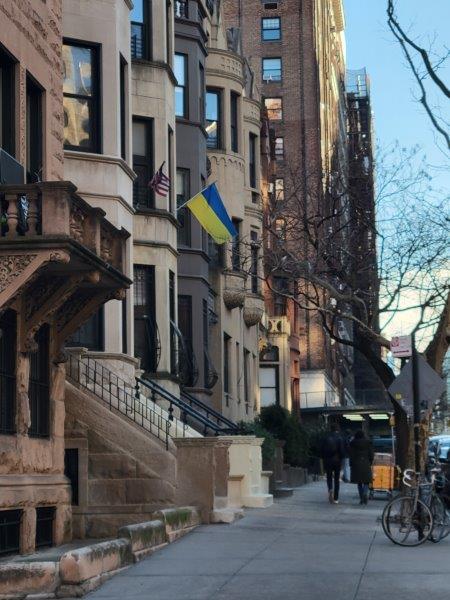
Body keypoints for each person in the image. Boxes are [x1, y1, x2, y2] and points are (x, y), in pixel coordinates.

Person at [321, 424, 345, 504]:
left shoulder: (326, 438)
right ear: (337, 429)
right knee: (337, 479)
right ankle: (336, 498)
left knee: (329, 476)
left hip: (328, 460)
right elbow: (341, 451)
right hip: (337, 461)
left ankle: (330, 488)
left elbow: (322, 449)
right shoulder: (340, 438)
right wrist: (341, 459)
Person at [350, 430, 374, 505]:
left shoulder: (353, 443)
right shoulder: (368, 443)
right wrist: (370, 462)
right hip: (366, 463)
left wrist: (351, 464)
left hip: (356, 464)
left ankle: (361, 498)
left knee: (359, 482)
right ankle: (365, 493)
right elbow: (371, 455)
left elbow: (351, 454)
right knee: (366, 481)